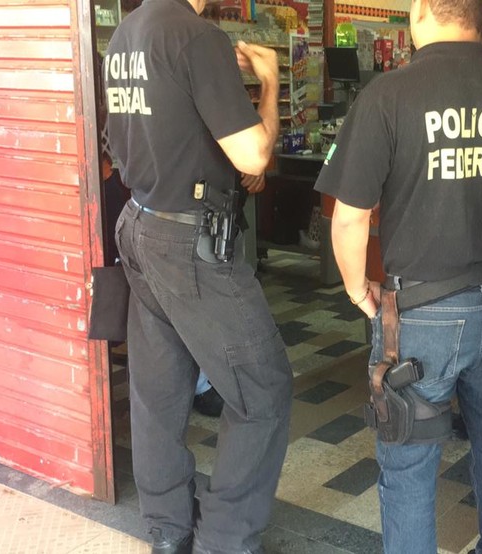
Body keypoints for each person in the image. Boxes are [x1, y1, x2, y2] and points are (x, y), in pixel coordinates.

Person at [314, 0, 482, 550]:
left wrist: (359, 292)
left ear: (421, 9)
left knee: (409, 461)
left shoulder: (387, 96)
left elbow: (349, 216)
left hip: (421, 315)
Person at [103, 0, 293, 552]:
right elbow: (255, 155)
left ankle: (167, 531)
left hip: (139, 222)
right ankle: (225, 539)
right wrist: (271, 85)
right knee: (263, 389)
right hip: (188, 241)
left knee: (158, 392)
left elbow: (122, 142)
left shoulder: (124, 36)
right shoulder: (197, 37)